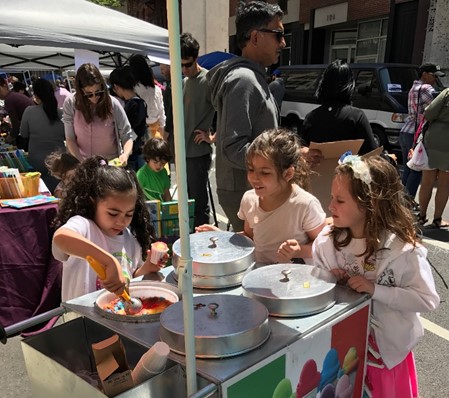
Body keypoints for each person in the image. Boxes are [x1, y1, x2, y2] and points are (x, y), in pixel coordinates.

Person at [312, 154, 440, 398]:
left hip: (386, 358)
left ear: (369, 203)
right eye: (331, 198)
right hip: (342, 354)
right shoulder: (328, 242)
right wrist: (328, 278)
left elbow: (427, 299)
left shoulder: (401, 250)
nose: (330, 207)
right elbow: (316, 282)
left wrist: (376, 291)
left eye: (340, 200)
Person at [207, 1, 284, 231]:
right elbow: (233, 148)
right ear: (256, 36)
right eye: (278, 34)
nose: (283, 42)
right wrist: (282, 160)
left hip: (254, 189)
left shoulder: (253, 77)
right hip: (246, 192)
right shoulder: (243, 80)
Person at [197, 129, 327, 265]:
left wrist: (299, 250)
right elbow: (249, 237)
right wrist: (223, 237)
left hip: (296, 280)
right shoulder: (249, 199)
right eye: (251, 169)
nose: (254, 178)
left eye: (265, 173)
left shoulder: (304, 204)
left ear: (288, 174)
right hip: (260, 276)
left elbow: (325, 246)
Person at [52, 155, 164, 301]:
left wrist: (147, 268)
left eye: (129, 214)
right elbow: (61, 238)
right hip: (82, 320)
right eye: (113, 213)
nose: (121, 221)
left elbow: (128, 276)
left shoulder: (129, 238)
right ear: (93, 202)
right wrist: (109, 262)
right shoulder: (84, 226)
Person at [62, 63, 135, 165]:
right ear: (80, 91)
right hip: (81, 163)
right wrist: (82, 163)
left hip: (109, 165)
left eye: (98, 92)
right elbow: (70, 139)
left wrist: (125, 154)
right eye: (88, 94)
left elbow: (127, 135)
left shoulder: (113, 103)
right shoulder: (70, 103)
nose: (94, 97)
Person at [301, 60, 378, 155]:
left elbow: (301, 152)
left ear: (323, 84)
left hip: (316, 169)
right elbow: (372, 155)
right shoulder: (357, 116)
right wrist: (389, 159)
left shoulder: (311, 117)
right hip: (346, 169)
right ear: (350, 85)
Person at [181, 32, 216, 227]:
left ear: (196, 58)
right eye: (180, 65)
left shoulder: (209, 79)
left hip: (197, 153)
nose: (184, 69)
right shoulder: (185, 82)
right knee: (188, 201)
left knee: (198, 202)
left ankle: (203, 243)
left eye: (187, 64)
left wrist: (211, 137)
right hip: (184, 152)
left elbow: (226, 110)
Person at [399, 63, 444, 206]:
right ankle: (408, 202)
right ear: (424, 74)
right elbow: (439, 106)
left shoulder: (414, 88)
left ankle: (400, 200)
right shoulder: (426, 89)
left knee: (408, 167)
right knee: (417, 169)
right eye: (434, 75)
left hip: (405, 130)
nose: (435, 79)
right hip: (416, 133)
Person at [19, 78, 66, 193]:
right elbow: (67, 136)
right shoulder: (61, 113)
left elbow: (23, 133)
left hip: (36, 162)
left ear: (36, 95)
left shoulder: (29, 111)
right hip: (59, 162)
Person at [418, 87, 449, 228]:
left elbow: (429, 113)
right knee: (444, 184)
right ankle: (437, 220)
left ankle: (422, 216)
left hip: (434, 137)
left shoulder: (447, 92)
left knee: (427, 181)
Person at [109, 66, 147, 171]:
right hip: (136, 150)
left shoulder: (133, 104)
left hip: (132, 153)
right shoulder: (139, 101)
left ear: (116, 87)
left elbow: (129, 130)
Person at [129, 54, 165, 139]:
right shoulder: (156, 89)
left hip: (141, 130)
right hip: (156, 128)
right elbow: (161, 111)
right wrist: (162, 128)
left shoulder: (134, 90)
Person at [0, 77, 33, 148]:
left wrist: (6, 141)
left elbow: (16, 126)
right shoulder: (13, 96)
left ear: (4, 85)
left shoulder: (9, 99)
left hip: (33, 132)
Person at [137, 138, 172, 202]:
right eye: (155, 162)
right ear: (148, 158)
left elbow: (166, 193)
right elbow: (137, 196)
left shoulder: (164, 172)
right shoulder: (141, 174)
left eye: (163, 163)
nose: (159, 166)